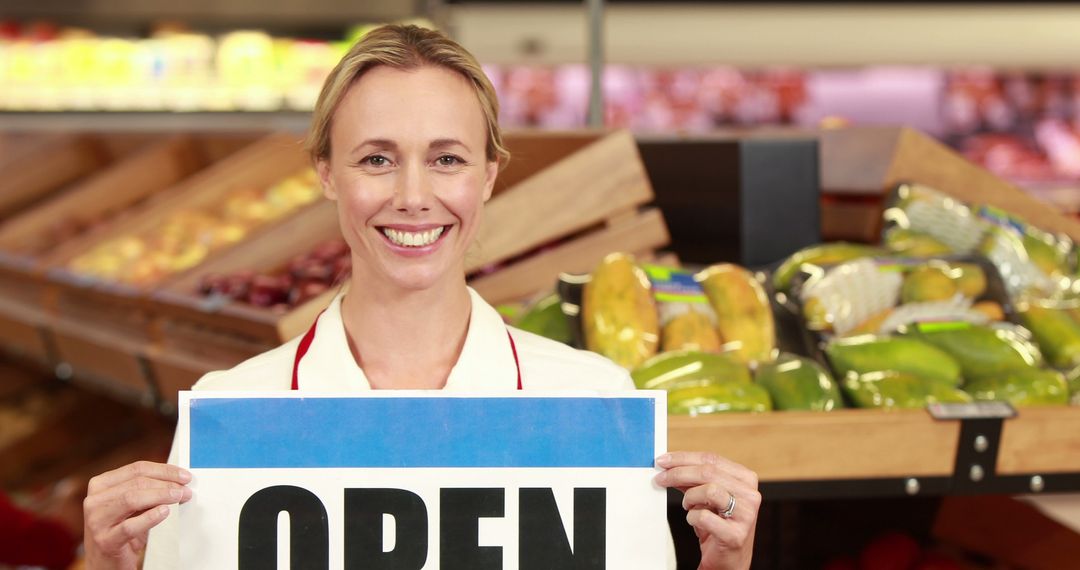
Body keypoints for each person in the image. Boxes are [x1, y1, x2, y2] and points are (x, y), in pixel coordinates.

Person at [82, 24, 761, 569]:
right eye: (376, 158)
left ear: (489, 175)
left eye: (447, 159)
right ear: (326, 173)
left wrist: (727, 568)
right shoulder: (234, 412)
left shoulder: (593, 403)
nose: (412, 197)